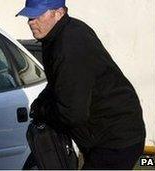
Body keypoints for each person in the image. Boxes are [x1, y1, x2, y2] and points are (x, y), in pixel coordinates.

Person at [16, 0, 146, 169]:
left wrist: (43, 110)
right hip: (99, 136)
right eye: (29, 16)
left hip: (115, 140)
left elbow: (72, 112)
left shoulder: (70, 45)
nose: (31, 21)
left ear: (59, 12)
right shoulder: (58, 35)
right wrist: (41, 103)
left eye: (37, 15)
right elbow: (60, 82)